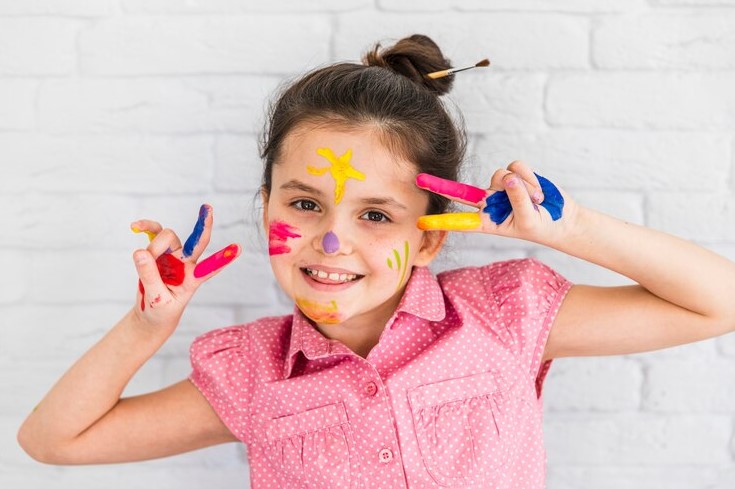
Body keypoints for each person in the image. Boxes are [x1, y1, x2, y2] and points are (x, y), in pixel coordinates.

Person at [17, 33, 735, 489]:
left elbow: (718, 301)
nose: (332, 242)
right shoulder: (248, 372)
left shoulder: (501, 313)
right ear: (264, 204)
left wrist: (569, 227)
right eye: (303, 205)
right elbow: (53, 441)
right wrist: (149, 327)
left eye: (374, 215)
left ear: (427, 236)